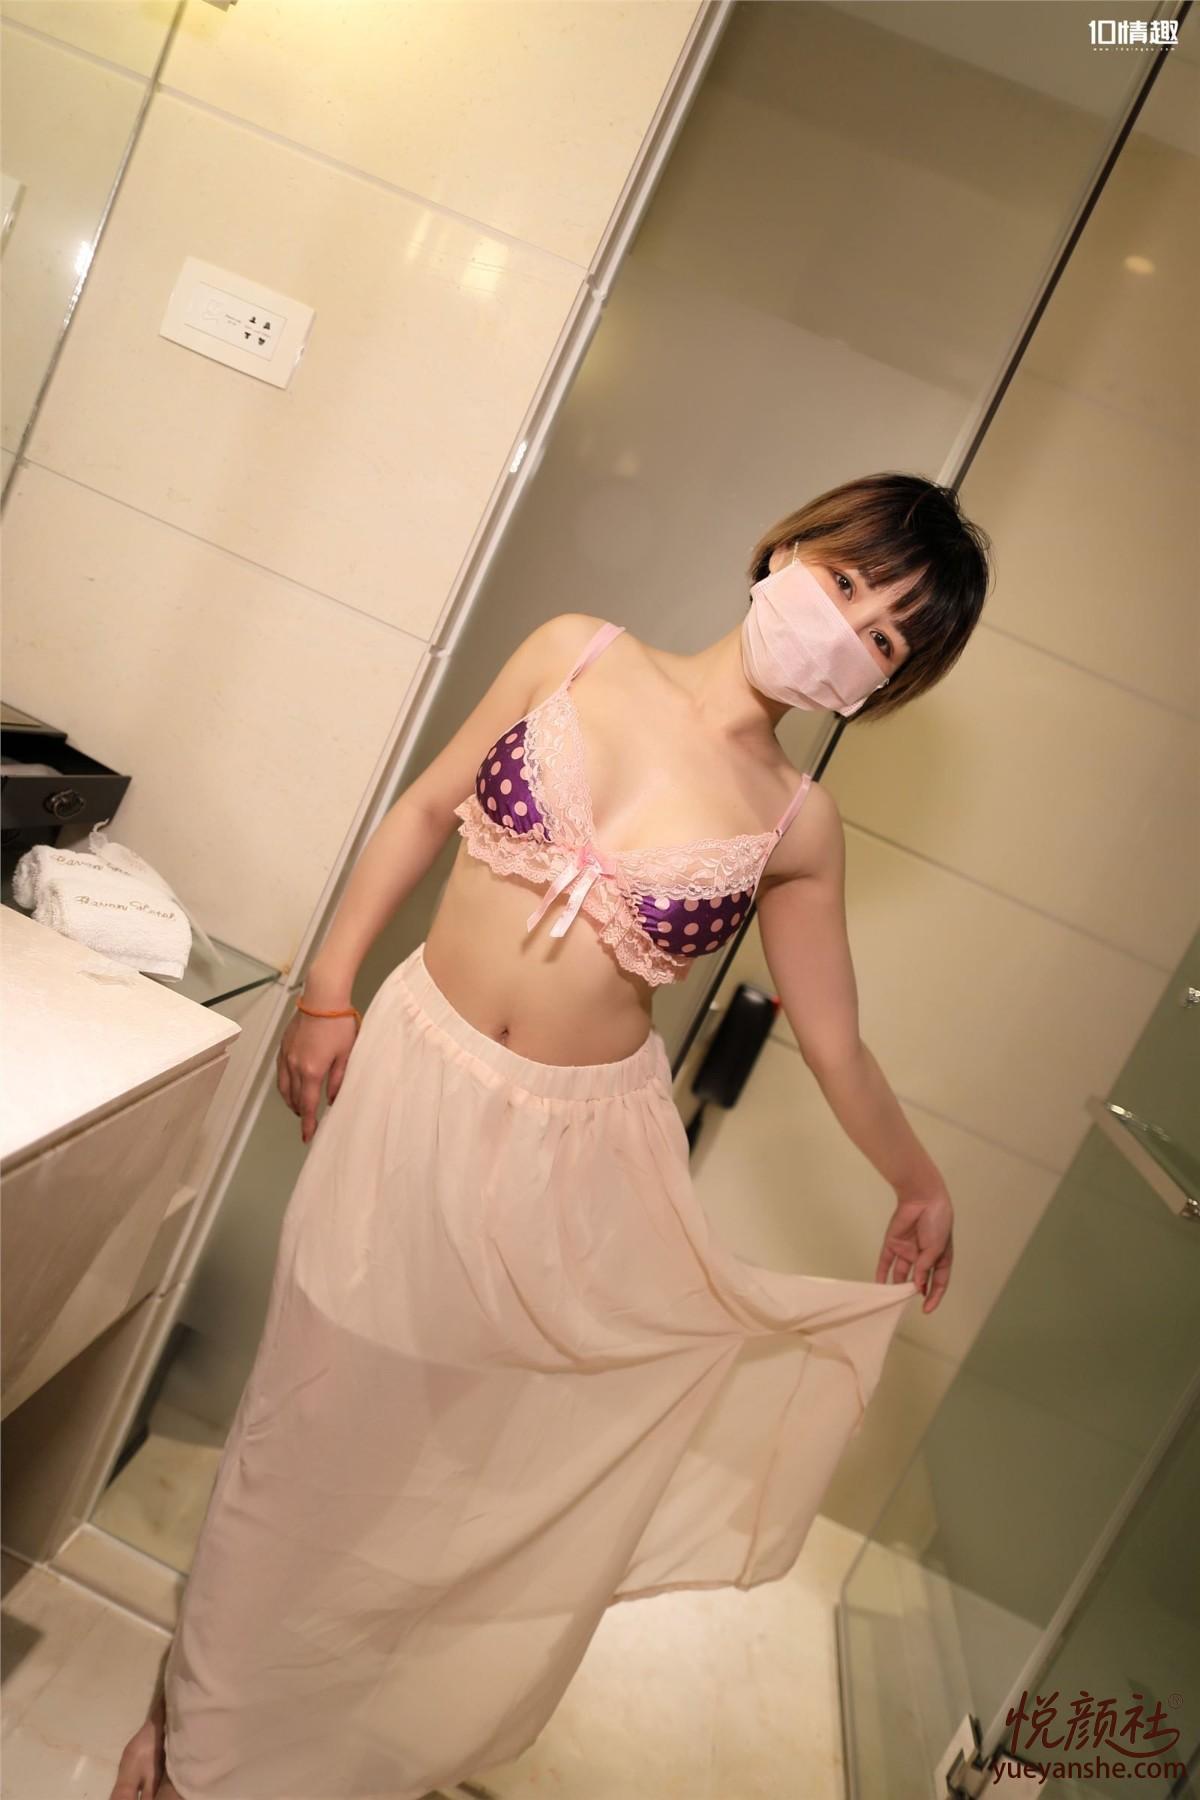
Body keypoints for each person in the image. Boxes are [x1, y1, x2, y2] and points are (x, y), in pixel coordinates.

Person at [112, 471, 991, 1800]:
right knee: (303, 1421)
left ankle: (275, 1752)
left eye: (882, 638)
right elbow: (424, 810)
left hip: (576, 1158)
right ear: (790, 547)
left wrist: (918, 1180)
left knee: (421, 1476)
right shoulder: (577, 651)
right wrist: (330, 989)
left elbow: (836, 1044)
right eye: (850, 581)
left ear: (884, 687)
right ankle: (190, 1722)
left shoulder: (797, 825)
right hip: (415, 1075)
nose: (847, 629)